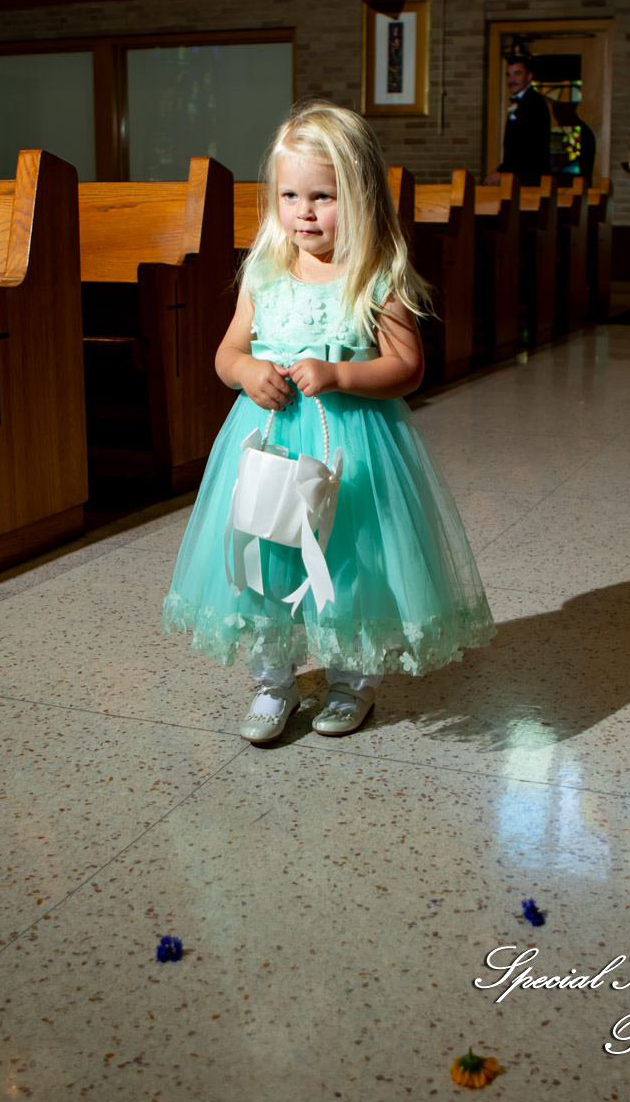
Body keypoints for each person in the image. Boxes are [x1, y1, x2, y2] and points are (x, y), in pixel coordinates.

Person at [162, 101, 495, 742]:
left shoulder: (375, 276)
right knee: (267, 554)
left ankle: (350, 679)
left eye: (323, 196)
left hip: (354, 448)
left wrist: (341, 374)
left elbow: (408, 367)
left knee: (349, 561)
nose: (303, 212)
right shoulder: (264, 272)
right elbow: (227, 352)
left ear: (361, 196)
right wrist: (246, 372)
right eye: (290, 195)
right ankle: (273, 680)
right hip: (271, 445)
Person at [484, 53, 551, 186]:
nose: (511, 80)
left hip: (529, 180)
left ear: (529, 76)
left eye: (517, 74)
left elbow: (531, 148)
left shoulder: (534, 103)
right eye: (508, 74)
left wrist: (504, 173)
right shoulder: (522, 102)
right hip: (517, 179)